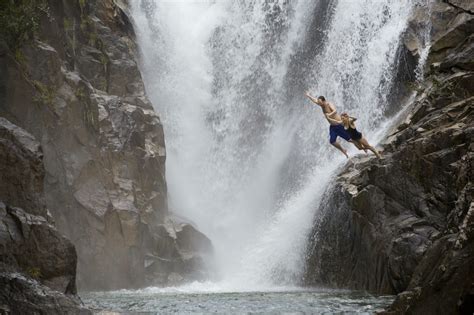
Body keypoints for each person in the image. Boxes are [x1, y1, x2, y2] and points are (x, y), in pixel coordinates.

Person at [305, 92, 351, 158]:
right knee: (332, 141)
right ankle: (343, 150)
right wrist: (308, 95)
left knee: (349, 139)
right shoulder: (321, 105)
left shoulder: (329, 104)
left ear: (324, 101)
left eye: (320, 103)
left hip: (338, 124)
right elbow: (315, 100)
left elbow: (335, 111)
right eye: (319, 103)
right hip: (332, 126)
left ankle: (361, 144)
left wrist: (328, 115)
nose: (320, 104)